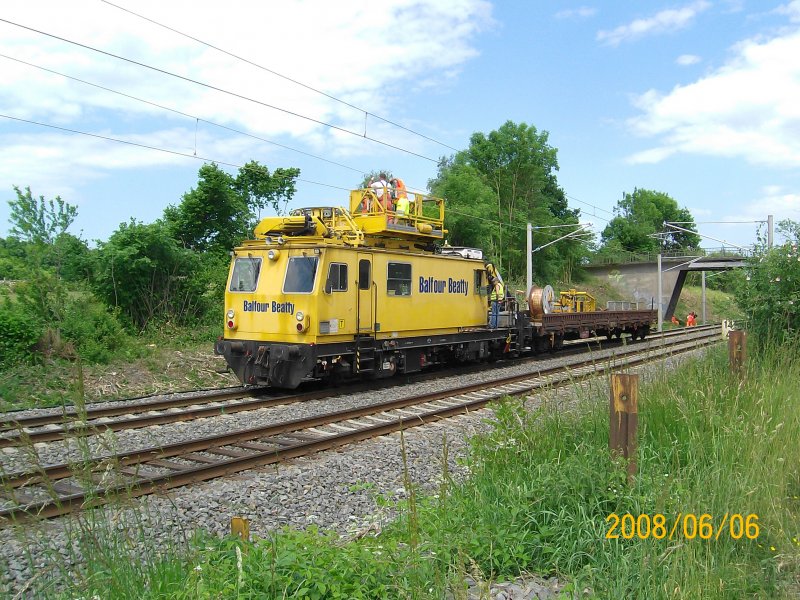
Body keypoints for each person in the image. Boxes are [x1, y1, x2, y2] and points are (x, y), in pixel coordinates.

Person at [486, 263, 505, 328]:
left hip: (495, 301)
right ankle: (496, 325)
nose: (493, 283)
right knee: (497, 314)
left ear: (496, 281)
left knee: (494, 314)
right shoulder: (501, 285)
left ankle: (492, 325)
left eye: (494, 282)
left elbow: (497, 293)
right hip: (499, 301)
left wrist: (496, 299)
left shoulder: (497, 285)